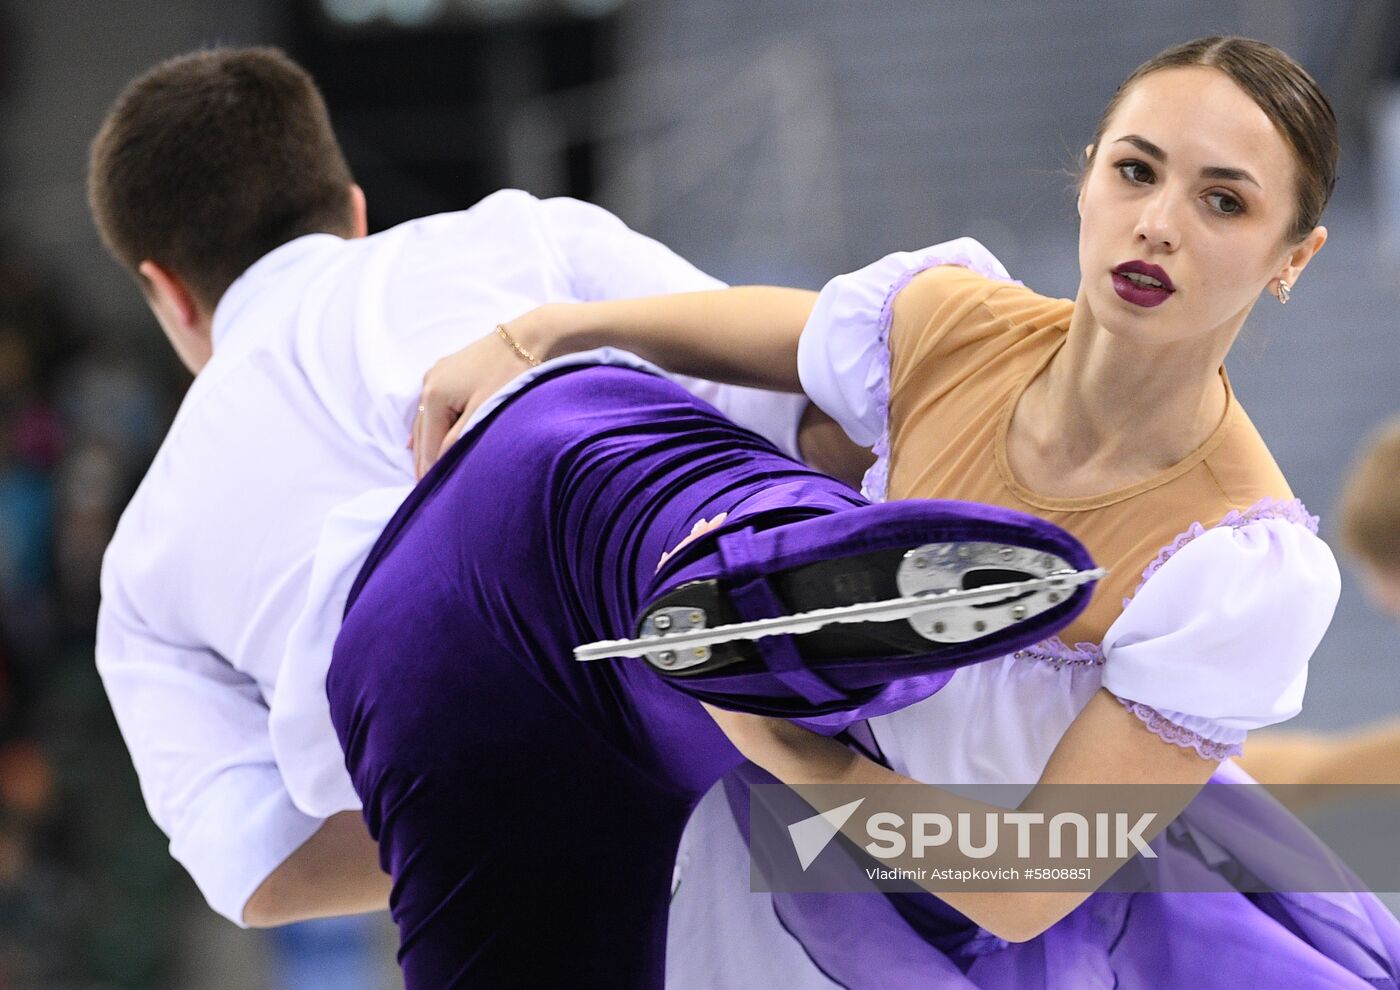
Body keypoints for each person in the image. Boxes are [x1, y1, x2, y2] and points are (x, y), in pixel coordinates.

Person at [86, 46, 1103, 986]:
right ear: (349, 207)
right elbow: (803, 405)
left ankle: (747, 674)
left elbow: (264, 867)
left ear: (164, 290)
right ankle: (808, 626)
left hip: (404, 704)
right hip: (570, 503)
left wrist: (526, 816)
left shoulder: (139, 569)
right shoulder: (504, 236)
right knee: (684, 514)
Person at [416, 36, 1400, 988]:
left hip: (1019, 924)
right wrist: (548, 328)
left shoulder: (1235, 565)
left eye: (1221, 201)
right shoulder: (948, 322)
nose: (1158, 224)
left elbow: (1027, 885)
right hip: (792, 843)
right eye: (1135, 172)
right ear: (1086, 174)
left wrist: (781, 746)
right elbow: (778, 332)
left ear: (1291, 257)